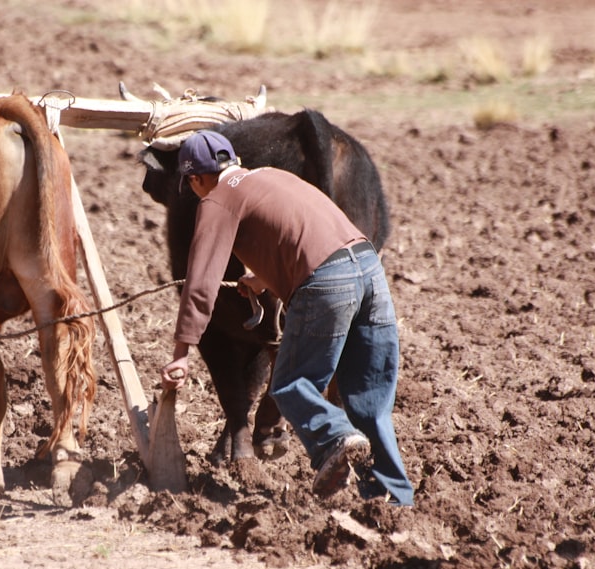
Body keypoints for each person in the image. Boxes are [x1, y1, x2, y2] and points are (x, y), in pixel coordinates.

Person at [161, 129, 413, 506]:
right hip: (369, 270)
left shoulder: (217, 198)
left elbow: (200, 284)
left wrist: (181, 353)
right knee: (368, 396)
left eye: (192, 185)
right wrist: (262, 279)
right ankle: (393, 501)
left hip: (327, 283)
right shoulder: (273, 177)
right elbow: (306, 233)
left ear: (197, 178)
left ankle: (335, 438)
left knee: (292, 384)